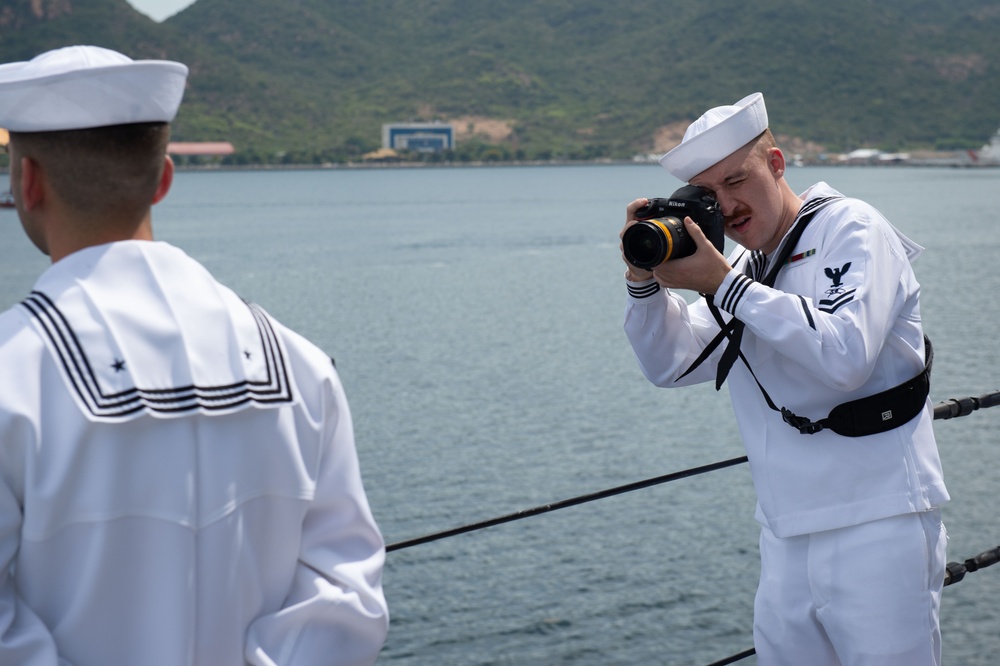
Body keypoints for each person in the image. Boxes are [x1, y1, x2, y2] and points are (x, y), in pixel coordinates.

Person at [0, 46, 388, 664]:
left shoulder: (12, 373)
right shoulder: (300, 365)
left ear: (28, 182)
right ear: (163, 179)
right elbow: (347, 594)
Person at [620, 93, 949, 665]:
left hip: (880, 520)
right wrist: (644, 282)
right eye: (709, 197)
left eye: (737, 181)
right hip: (785, 533)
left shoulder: (852, 227)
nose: (728, 205)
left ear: (776, 165)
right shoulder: (747, 270)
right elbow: (668, 363)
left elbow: (845, 357)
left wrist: (723, 286)